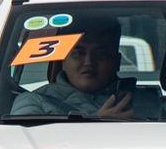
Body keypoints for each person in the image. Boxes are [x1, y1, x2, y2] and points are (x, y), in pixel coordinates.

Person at [8, 22, 141, 119]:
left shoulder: (146, 103)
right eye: (78, 53)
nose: (89, 62)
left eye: (101, 53)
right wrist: (98, 123)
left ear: (117, 61)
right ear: (63, 61)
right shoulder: (33, 102)